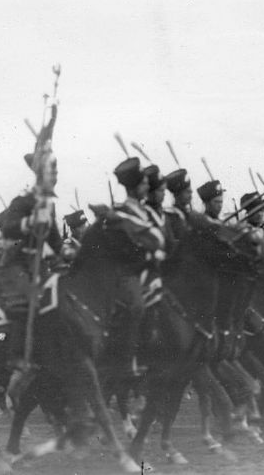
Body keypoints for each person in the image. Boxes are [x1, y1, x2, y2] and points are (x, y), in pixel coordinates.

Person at [0, 151, 63, 399]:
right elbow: (9, 226)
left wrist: (68, 255)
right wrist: (31, 221)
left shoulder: (48, 203)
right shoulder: (23, 201)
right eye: (50, 171)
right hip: (15, 266)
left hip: (37, 266)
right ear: (39, 174)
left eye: (56, 170)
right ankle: (16, 360)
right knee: (29, 300)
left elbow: (54, 240)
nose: (55, 175)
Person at [113, 156, 163, 377]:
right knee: (137, 306)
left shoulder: (148, 211)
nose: (147, 186)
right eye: (143, 183)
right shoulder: (123, 211)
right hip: (131, 271)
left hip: (152, 269)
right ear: (134, 187)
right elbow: (123, 247)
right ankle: (129, 358)